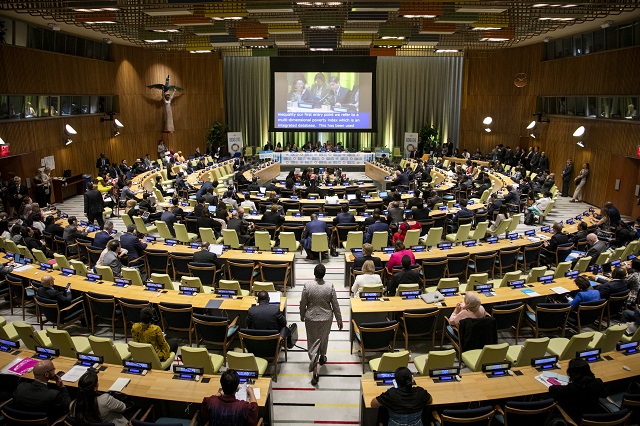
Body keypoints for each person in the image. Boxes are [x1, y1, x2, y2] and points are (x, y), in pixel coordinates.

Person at [300, 264, 343, 386]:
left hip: (311, 318)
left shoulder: (307, 286)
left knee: (312, 341)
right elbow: (335, 304)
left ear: (314, 273)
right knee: (324, 338)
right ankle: (322, 356)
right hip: (326, 319)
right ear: (324, 274)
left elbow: (303, 303)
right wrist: (339, 320)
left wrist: (302, 314)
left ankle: (314, 369)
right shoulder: (330, 286)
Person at [549, 358, 606, 423]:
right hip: (595, 416)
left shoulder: (571, 388)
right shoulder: (598, 382)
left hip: (576, 418)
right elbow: (604, 395)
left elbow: (552, 389)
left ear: (572, 373)